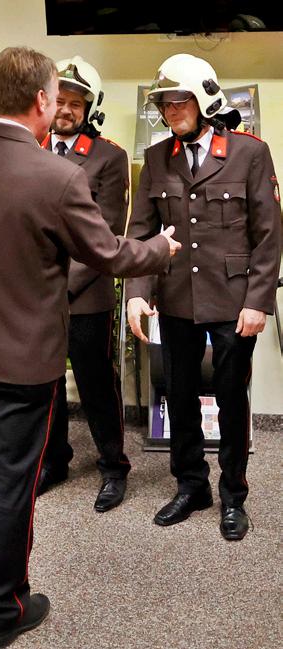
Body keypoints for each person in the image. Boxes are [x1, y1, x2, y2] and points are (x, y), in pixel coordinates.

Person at [0, 46, 180, 648]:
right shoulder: (59, 177)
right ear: (39, 101)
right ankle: (2, 609)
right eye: (56, 96)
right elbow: (109, 254)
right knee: (11, 483)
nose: (58, 106)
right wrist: (160, 249)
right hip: (23, 362)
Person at [126, 53, 281, 541]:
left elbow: (269, 235)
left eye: (180, 100)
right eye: (164, 103)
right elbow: (141, 231)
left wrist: (258, 301)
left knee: (232, 399)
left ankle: (233, 494)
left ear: (203, 99)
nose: (171, 110)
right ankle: (191, 485)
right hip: (175, 298)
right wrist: (136, 292)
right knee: (179, 395)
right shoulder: (156, 158)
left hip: (234, 300)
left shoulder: (249, 153)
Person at [38, 55, 131, 512]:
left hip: (86, 294)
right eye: (61, 100)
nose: (67, 110)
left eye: (76, 103)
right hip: (36, 294)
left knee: (96, 385)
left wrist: (59, 285)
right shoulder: (30, 147)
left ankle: (114, 466)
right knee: (46, 382)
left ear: (89, 108)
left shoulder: (109, 157)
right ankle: (54, 460)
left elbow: (107, 234)